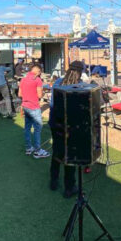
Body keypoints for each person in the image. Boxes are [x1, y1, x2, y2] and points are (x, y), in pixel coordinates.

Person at [49, 61, 84, 197]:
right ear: (80, 71)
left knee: (57, 152)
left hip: (55, 123)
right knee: (70, 156)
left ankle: (54, 181)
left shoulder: (58, 82)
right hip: (70, 126)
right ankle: (69, 187)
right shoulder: (80, 86)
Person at [19, 64, 49, 159]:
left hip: (25, 106)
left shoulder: (23, 79)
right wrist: (43, 92)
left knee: (27, 128)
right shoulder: (38, 80)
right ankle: (38, 150)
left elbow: (20, 94)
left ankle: (29, 148)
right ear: (38, 71)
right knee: (37, 128)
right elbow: (40, 96)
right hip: (34, 107)